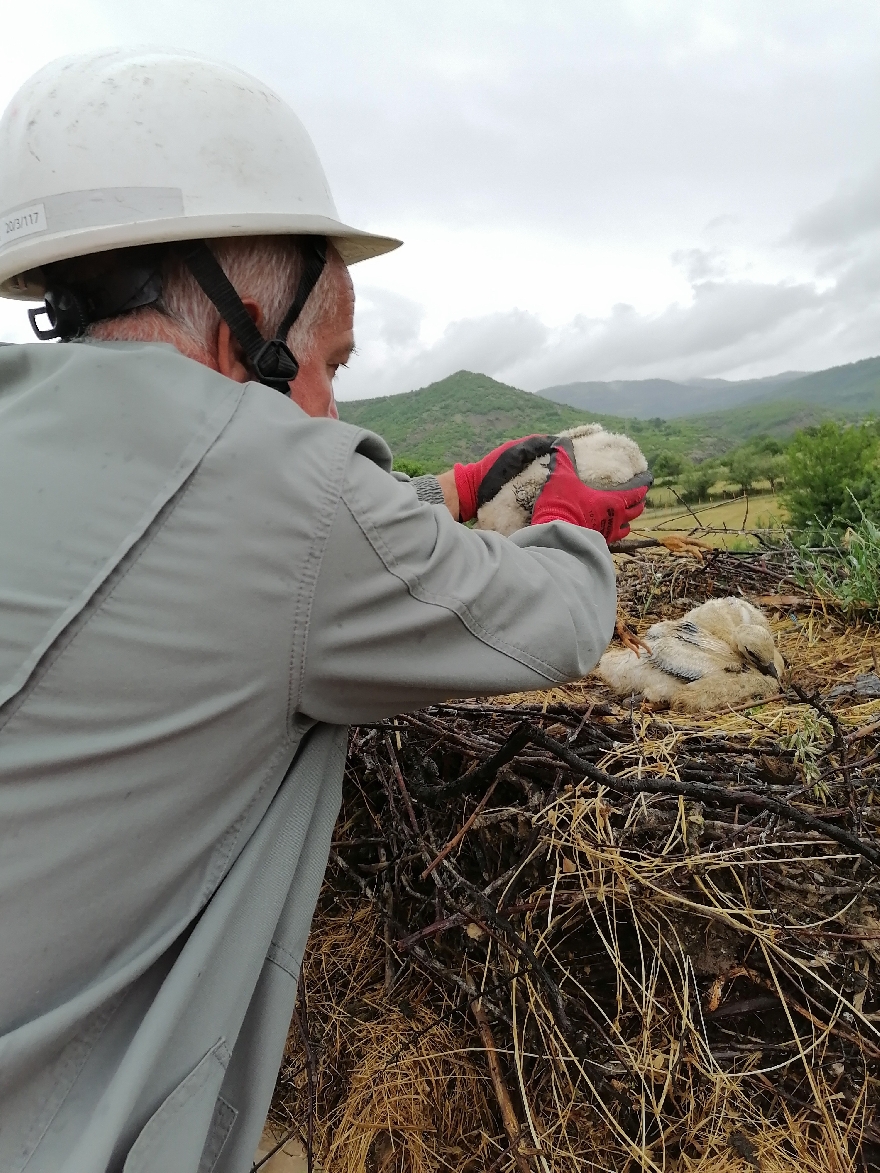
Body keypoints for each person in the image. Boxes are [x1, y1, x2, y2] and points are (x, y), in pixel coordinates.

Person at [0, 49, 647, 1173]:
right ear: (240, 332)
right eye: (329, 363)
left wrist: (440, 496)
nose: (332, 407)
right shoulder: (291, 497)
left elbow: (210, 531)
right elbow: (547, 621)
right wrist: (581, 528)